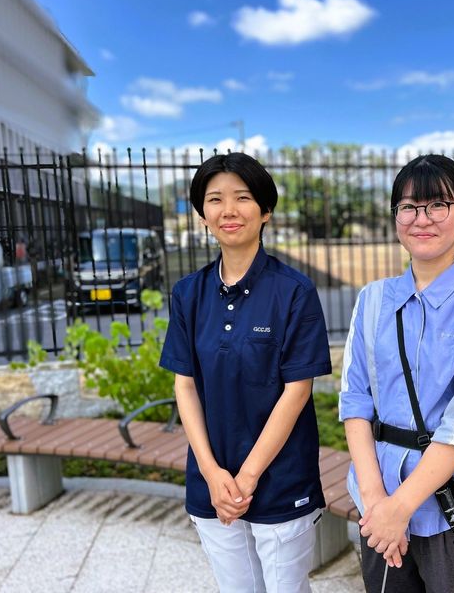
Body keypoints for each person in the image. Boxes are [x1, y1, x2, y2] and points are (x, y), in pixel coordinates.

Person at [339, 154, 454, 593]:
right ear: (395, 216)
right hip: (377, 498)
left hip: (449, 506)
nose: (422, 219)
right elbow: (355, 400)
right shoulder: (372, 300)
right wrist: (378, 504)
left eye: (438, 204)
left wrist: (400, 507)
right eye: (408, 207)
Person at [159, 152, 332, 593]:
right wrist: (212, 472)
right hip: (212, 481)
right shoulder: (188, 294)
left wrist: (248, 476)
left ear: (265, 210)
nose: (228, 210)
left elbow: (297, 391)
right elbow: (185, 385)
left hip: (281, 480)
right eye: (215, 199)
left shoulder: (294, 292)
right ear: (203, 215)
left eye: (242, 197)